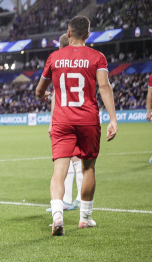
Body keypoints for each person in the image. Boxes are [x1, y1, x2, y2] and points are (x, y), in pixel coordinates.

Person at [35, 15, 117, 236]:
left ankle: (57, 216)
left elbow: (39, 91)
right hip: (88, 120)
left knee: (59, 171)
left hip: (62, 121)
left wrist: (43, 96)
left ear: (68, 33)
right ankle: (84, 218)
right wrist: (113, 119)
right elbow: (104, 86)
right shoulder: (97, 57)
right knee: (88, 168)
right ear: (88, 34)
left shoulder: (54, 57)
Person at [46, 33, 82, 213]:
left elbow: (55, 95)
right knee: (78, 160)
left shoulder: (58, 65)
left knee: (67, 160)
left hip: (65, 118)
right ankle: (75, 200)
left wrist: (52, 122)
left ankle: (70, 201)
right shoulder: (84, 62)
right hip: (83, 117)